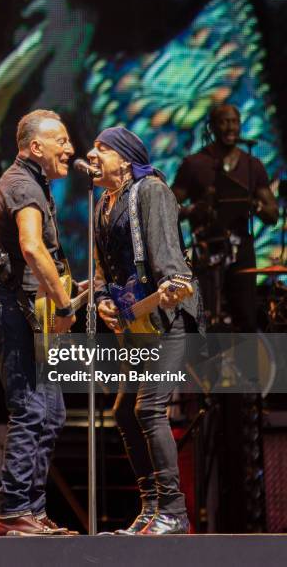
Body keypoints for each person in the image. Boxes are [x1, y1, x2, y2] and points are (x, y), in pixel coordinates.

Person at [87, 126, 204, 535]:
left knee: (148, 408)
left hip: (166, 318)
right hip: (135, 325)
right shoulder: (103, 202)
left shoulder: (150, 190)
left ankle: (174, 511)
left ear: (124, 157)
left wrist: (172, 284)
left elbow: (168, 255)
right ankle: (151, 508)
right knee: (123, 410)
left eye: (101, 148)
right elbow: (101, 266)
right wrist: (101, 297)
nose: (91, 154)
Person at [0, 109, 78, 536]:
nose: (71, 149)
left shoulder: (33, 183)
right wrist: (66, 305)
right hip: (8, 307)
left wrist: (71, 291)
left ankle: (31, 512)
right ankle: (14, 511)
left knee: (50, 412)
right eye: (63, 141)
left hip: (24, 310)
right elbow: (33, 249)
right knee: (32, 408)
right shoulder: (22, 184)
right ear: (36, 147)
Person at [172, 104, 278, 331]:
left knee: (246, 318)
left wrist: (253, 204)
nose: (230, 127)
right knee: (208, 319)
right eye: (224, 121)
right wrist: (194, 210)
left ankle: (247, 367)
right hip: (207, 251)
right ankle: (211, 366)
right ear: (211, 127)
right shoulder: (194, 164)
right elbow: (170, 208)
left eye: (235, 122)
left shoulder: (252, 165)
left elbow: (273, 215)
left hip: (242, 252)